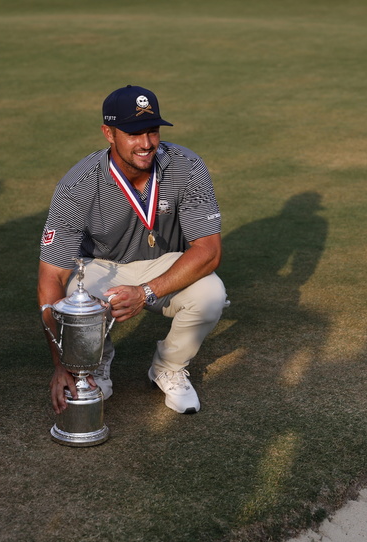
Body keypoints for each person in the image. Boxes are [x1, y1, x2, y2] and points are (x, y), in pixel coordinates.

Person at [38, 85, 227, 415]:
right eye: (134, 133)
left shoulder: (187, 166)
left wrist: (145, 293)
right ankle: (91, 364)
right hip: (98, 268)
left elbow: (208, 251)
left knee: (211, 293)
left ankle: (168, 366)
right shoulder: (77, 185)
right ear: (108, 133)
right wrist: (63, 363)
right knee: (75, 306)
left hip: (163, 265)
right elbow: (51, 276)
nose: (146, 143)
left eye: (152, 131)